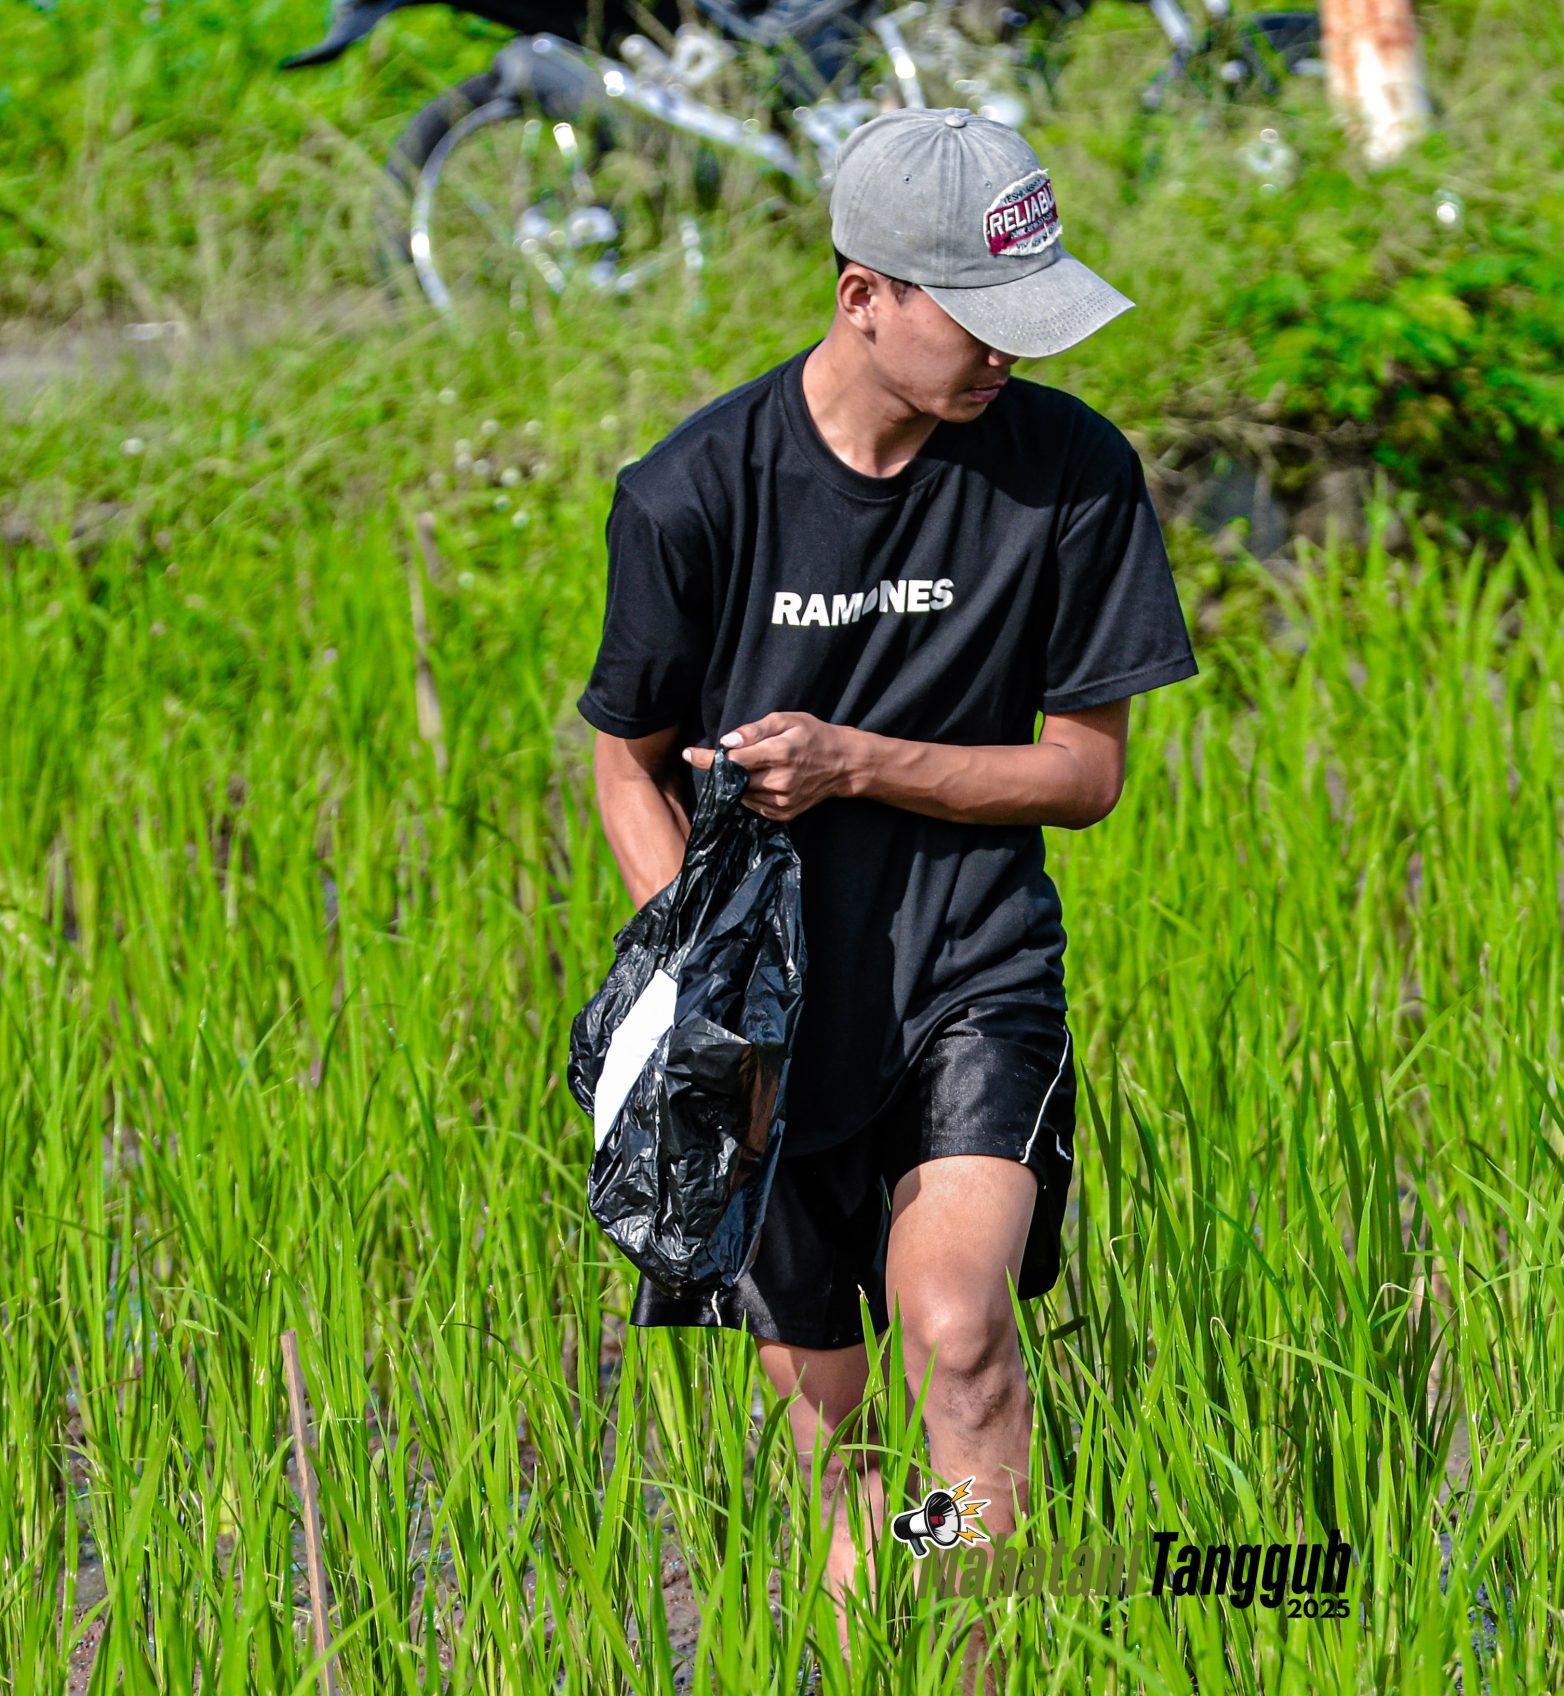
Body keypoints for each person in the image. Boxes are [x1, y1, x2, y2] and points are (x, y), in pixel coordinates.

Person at [575, 106, 1198, 1627]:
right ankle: (893, 1629)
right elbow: (624, 758)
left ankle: (981, 1649)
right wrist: (705, 1010)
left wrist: (856, 760)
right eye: (980, 324)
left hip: (969, 966)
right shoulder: (692, 494)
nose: (1011, 358)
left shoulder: (1071, 475)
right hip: (774, 1014)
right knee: (840, 1435)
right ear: (867, 297)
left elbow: (1086, 772)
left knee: (960, 1331)